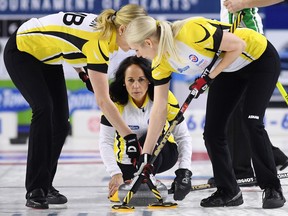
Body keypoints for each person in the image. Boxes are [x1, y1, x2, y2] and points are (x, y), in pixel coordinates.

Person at [124, 15, 286, 208]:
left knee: (251, 122)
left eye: (137, 49)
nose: (138, 55)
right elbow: (159, 109)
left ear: (148, 42)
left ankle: (272, 187)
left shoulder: (189, 32)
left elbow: (238, 46)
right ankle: (229, 191)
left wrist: (209, 77)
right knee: (212, 133)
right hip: (228, 70)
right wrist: (146, 156)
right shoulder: (161, 64)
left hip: (258, 58)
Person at [3, 4, 147, 209]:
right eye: (138, 38)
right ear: (122, 30)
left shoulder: (105, 31)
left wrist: (82, 73)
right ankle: (35, 188)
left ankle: (45, 185)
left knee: (61, 123)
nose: (138, 44)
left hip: (47, 57)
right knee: (43, 109)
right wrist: (129, 137)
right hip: (21, 50)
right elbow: (103, 101)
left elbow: (68, 42)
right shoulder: (100, 40)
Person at [212, 0, 288, 183]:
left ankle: (241, 169)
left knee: (243, 114)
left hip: (251, 47)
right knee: (236, 111)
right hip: (234, 46)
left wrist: (244, 3)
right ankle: (273, 157)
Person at [99, 56, 193, 201]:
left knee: (148, 138)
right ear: (123, 82)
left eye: (141, 79)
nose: (136, 86)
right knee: (135, 145)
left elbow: (182, 136)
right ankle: (140, 179)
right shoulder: (114, 102)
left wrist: (184, 172)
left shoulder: (164, 97)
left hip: (164, 154)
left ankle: (148, 179)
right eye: (130, 80)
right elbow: (105, 141)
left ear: (149, 80)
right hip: (128, 162)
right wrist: (115, 174)